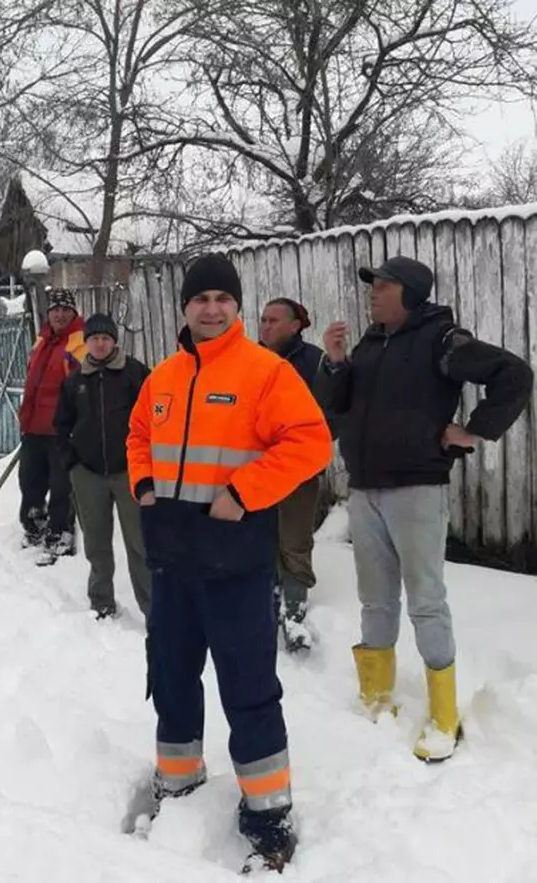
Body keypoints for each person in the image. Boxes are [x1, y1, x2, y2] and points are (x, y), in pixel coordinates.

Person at [127, 254, 332, 871]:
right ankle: (178, 783)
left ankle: (268, 818)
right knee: (172, 681)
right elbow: (139, 436)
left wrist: (243, 492)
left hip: (236, 568)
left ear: (236, 307)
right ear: (184, 307)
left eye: (222, 298)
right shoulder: (161, 377)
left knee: (248, 691)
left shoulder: (264, 372)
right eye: (200, 298)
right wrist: (143, 485)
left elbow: (311, 441)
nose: (211, 308)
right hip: (173, 565)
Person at [317, 255, 532, 761]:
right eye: (373, 285)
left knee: (426, 601)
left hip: (417, 490)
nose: (373, 293)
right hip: (365, 489)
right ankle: (376, 696)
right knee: (375, 600)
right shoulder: (370, 342)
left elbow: (513, 373)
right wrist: (335, 362)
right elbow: (337, 404)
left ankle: (443, 715)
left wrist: (475, 430)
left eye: (383, 285)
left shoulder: (442, 340)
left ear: (410, 293)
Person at [54, 312, 151, 622]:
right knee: (96, 542)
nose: (100, 343)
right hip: (88, 474)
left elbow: (154, 418)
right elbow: (61, 425)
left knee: (140, 544)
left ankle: (154, 609)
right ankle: (101, 601)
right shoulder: (74, 382)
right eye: (94, 338)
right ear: (86, 342)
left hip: (129, 473)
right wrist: (72, 464)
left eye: (105, 338)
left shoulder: (135, 374)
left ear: (114, 341)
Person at [259, 297, 331, 653]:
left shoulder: (315, 362)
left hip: (299, 469)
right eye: (263, 320)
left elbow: (328, 415)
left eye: (274, 320)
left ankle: (295, 609)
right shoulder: (252, 360)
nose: (265, 326)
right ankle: (268, 598)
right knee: (264, 534)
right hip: (258, 468)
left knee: (295, 538)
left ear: (295, 325)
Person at [17, 288, 87, 565]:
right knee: (29, 481)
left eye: (65, 309)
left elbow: (83, 388)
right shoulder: (41, 341)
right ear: (48, 313)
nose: (59, 314)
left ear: (73, 312)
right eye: (55, 309)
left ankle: (61, 534)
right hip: (34, 427)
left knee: (61, 487)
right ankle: (35, 525)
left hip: (62, 431)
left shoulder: (79, 343)